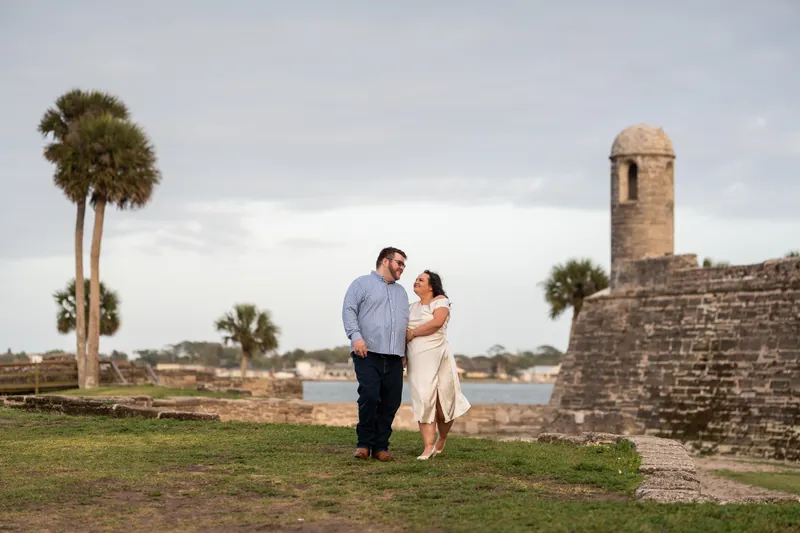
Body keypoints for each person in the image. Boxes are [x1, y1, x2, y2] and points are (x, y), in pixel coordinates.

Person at [342, 247, 410, 461]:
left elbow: (404, 324)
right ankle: (363, 444)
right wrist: (356, 337)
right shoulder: (361, 284)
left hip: (394, 357)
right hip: (367, 352)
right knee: (370, 396)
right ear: (385, 261)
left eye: (404, 265)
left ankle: (381, 447)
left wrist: (404, 352)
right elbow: (349, 310)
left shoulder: (402, 292)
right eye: (399, 263)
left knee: (391, 402)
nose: (402, 268)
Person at [405, 270, 471, 460]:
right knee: (424, 401)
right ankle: (427, 447)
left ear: (431, 286)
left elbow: (437, 322)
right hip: (417, 360)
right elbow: (402, 331)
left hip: (439, 357)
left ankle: (442, 437)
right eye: (416, 279)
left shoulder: (440, 301)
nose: (416, 281)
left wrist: (413, 332)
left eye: (421, 280)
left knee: (444, 406)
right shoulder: (410, 308)